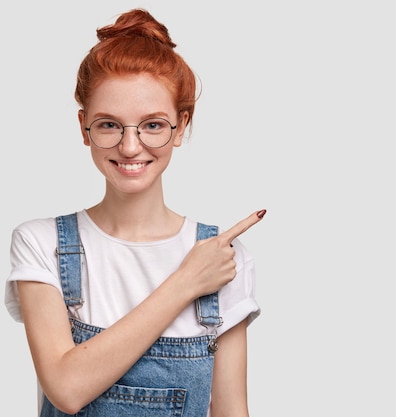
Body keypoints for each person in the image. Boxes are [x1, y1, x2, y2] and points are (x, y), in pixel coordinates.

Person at [4, 8, 265, 417]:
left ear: (181, 126)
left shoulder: (223, 257)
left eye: (153, 125)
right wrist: (185, 282)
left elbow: (232, 411)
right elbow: (67, 388)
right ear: (83, 126)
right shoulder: (42, 244)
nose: (129, 147)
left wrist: (202, 272)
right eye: (109, 125)